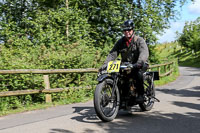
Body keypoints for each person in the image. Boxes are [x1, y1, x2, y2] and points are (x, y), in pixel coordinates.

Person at [99, 20, 149, 103]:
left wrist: (139, 63)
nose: (127, 32)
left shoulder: (139, 40)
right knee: (117, 75)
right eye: (125, 30)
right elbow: (112, 54)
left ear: (133, 30)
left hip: (139, 64)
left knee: (137, 73)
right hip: (126, 65)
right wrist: (105, 64)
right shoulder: (120, 42)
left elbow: (144, 53)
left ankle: (141, 95)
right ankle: (122, 96)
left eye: (129, 30)